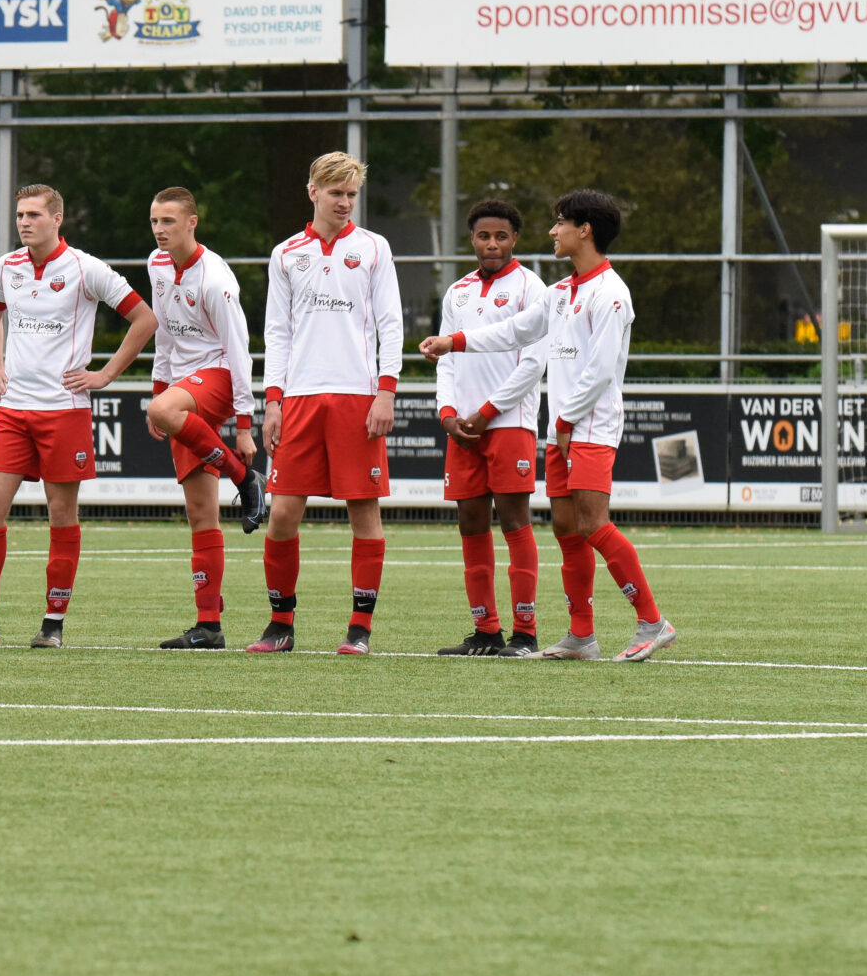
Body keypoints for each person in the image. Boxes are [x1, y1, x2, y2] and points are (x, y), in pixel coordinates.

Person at [423, 189, 676, 662]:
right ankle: (582, 635)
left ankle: (652, 620)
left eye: (561, 223)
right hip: (562, 432)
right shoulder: (560, 292)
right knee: (566, 528)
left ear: (585, 230)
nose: (553, 231)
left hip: (591, 428)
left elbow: (601, 370)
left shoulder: (611, 293)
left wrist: (564, 417)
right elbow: (515, 331)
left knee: (592, 523)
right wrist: (452, 341)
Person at [0, 184, 154, 649]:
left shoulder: (86, 269)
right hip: (13, 410)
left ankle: (52, 623)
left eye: (34, 215)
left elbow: (145, 319)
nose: (24, 222)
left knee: (61, 514)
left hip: (64, 411)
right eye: (20, 215)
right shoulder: (6, 267)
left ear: (57, 218)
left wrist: (105, 374)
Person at [254, 152, 405, 655]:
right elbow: (277, 332)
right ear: (313, 191)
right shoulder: (285, 254)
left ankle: (359, 629)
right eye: (336, 192)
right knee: (282, 514)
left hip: (357, 398)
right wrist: (272, 401)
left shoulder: (374, 247)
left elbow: (391, 323)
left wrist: (386, 391)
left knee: (363, 511)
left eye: (351, 194)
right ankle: (280, 626)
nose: (344, 202)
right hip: (298, 399)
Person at [141, 187, 264, 650]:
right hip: (183, 389)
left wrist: (245, 424)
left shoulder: (215, 279)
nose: (159, 230)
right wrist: (161, 391)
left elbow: (239, 351)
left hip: (218, 376)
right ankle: (209, 625)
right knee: (200, 513)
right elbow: (164, 334)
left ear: (192, 223)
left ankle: (244, 477)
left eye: (169, 221)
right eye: (155, 221)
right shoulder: (156, 264)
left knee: (163, 410)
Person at [428, 198, 547, 656]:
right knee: (470, 523)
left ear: (515, 238)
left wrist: (487, 412)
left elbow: (533, 364)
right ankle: (486, 630)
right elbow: (445, 359)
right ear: (472, 239)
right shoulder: (456, 292)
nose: (492, 244)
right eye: (483, 236)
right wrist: (448, 414)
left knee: (515, 521)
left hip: (508, 423)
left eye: (501, 236)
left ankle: (525, 633)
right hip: (463, 428)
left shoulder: (531, 288)